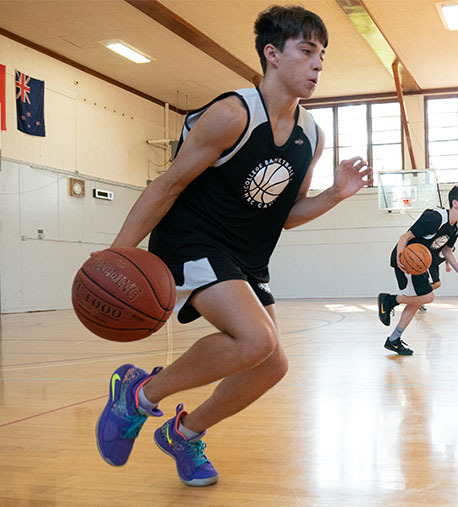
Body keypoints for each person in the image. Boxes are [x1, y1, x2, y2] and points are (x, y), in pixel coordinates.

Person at [95, 6, 372, 487]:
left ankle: (184, 433)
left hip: (246, 257)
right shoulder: (232, 115)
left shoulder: (311, 135)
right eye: (307, 51)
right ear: (272, 54)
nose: (317, 65)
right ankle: (139, 394)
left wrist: (334, 194)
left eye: (322, 55)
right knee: (257, 339)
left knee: (272, 365)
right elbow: (167, 185)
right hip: (192, 239)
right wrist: (117, 255)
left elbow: (286, 216)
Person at [377, 186, 458, 354]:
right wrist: (401, 256)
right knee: (427, 297)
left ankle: (394, 339)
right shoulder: (435, 217)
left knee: (418, 300)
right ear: (455, 203)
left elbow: (446, 250)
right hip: (406, 258)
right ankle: (390, 300)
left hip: (420, 262)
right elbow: (405, 237)